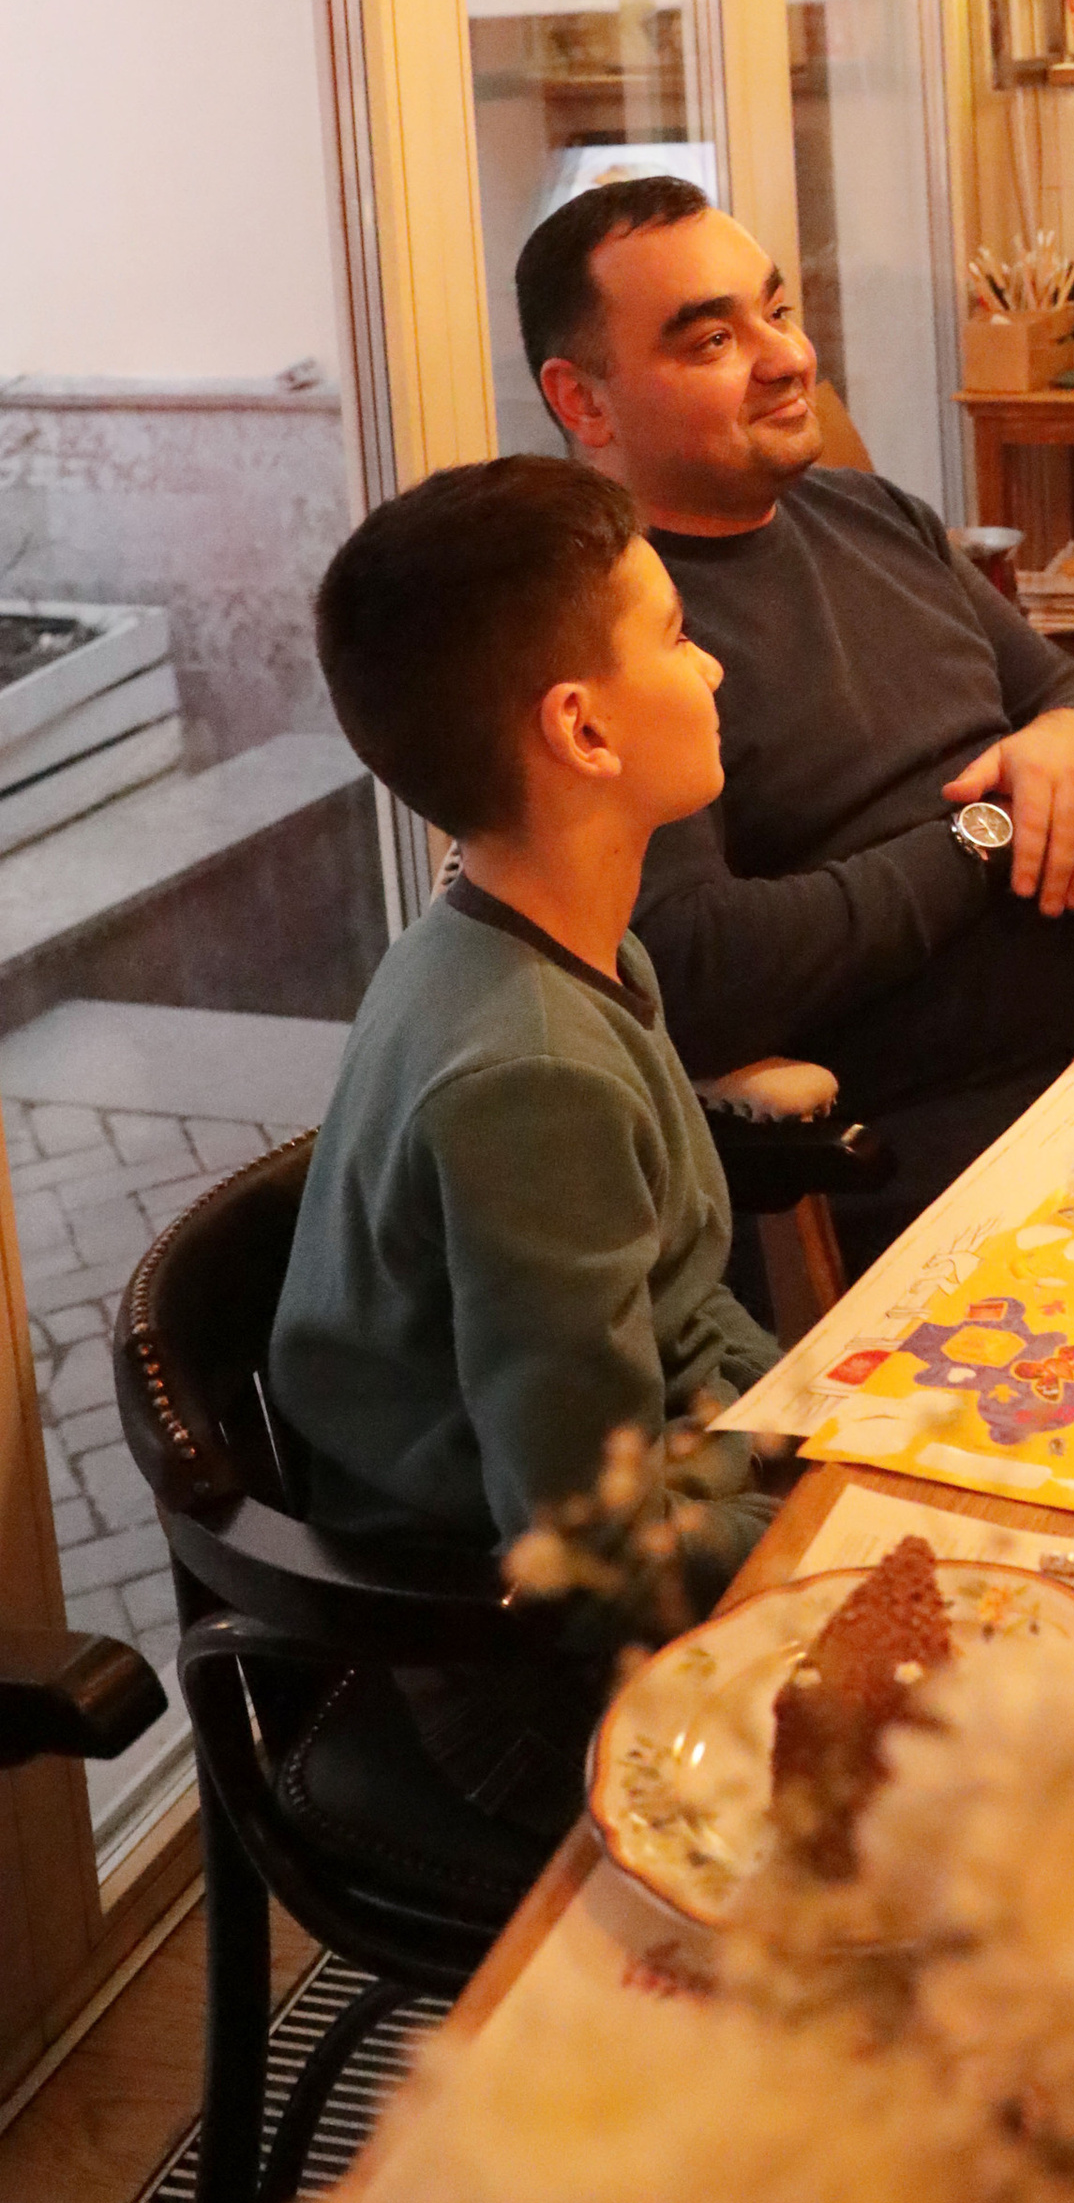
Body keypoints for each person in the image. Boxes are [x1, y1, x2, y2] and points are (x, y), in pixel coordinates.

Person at [270, 456, 776, 1835]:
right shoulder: (530, 1072)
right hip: (502, 1688)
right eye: (676, 636)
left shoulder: (554, 944)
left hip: (650, 1530)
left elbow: (676, 1301)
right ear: (583, 732)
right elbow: (589, 1562)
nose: (714, 669)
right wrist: (812, 1524)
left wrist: (831, 1420)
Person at [514, 178, 1074, 1215]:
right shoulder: (606, 635)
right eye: (712, 341)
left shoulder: (869, 513)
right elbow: (693, 967)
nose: (790, 358)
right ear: (584, 400)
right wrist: (985, 834)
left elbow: (1072, 691)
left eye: (778, 311)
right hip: (921, 1170)